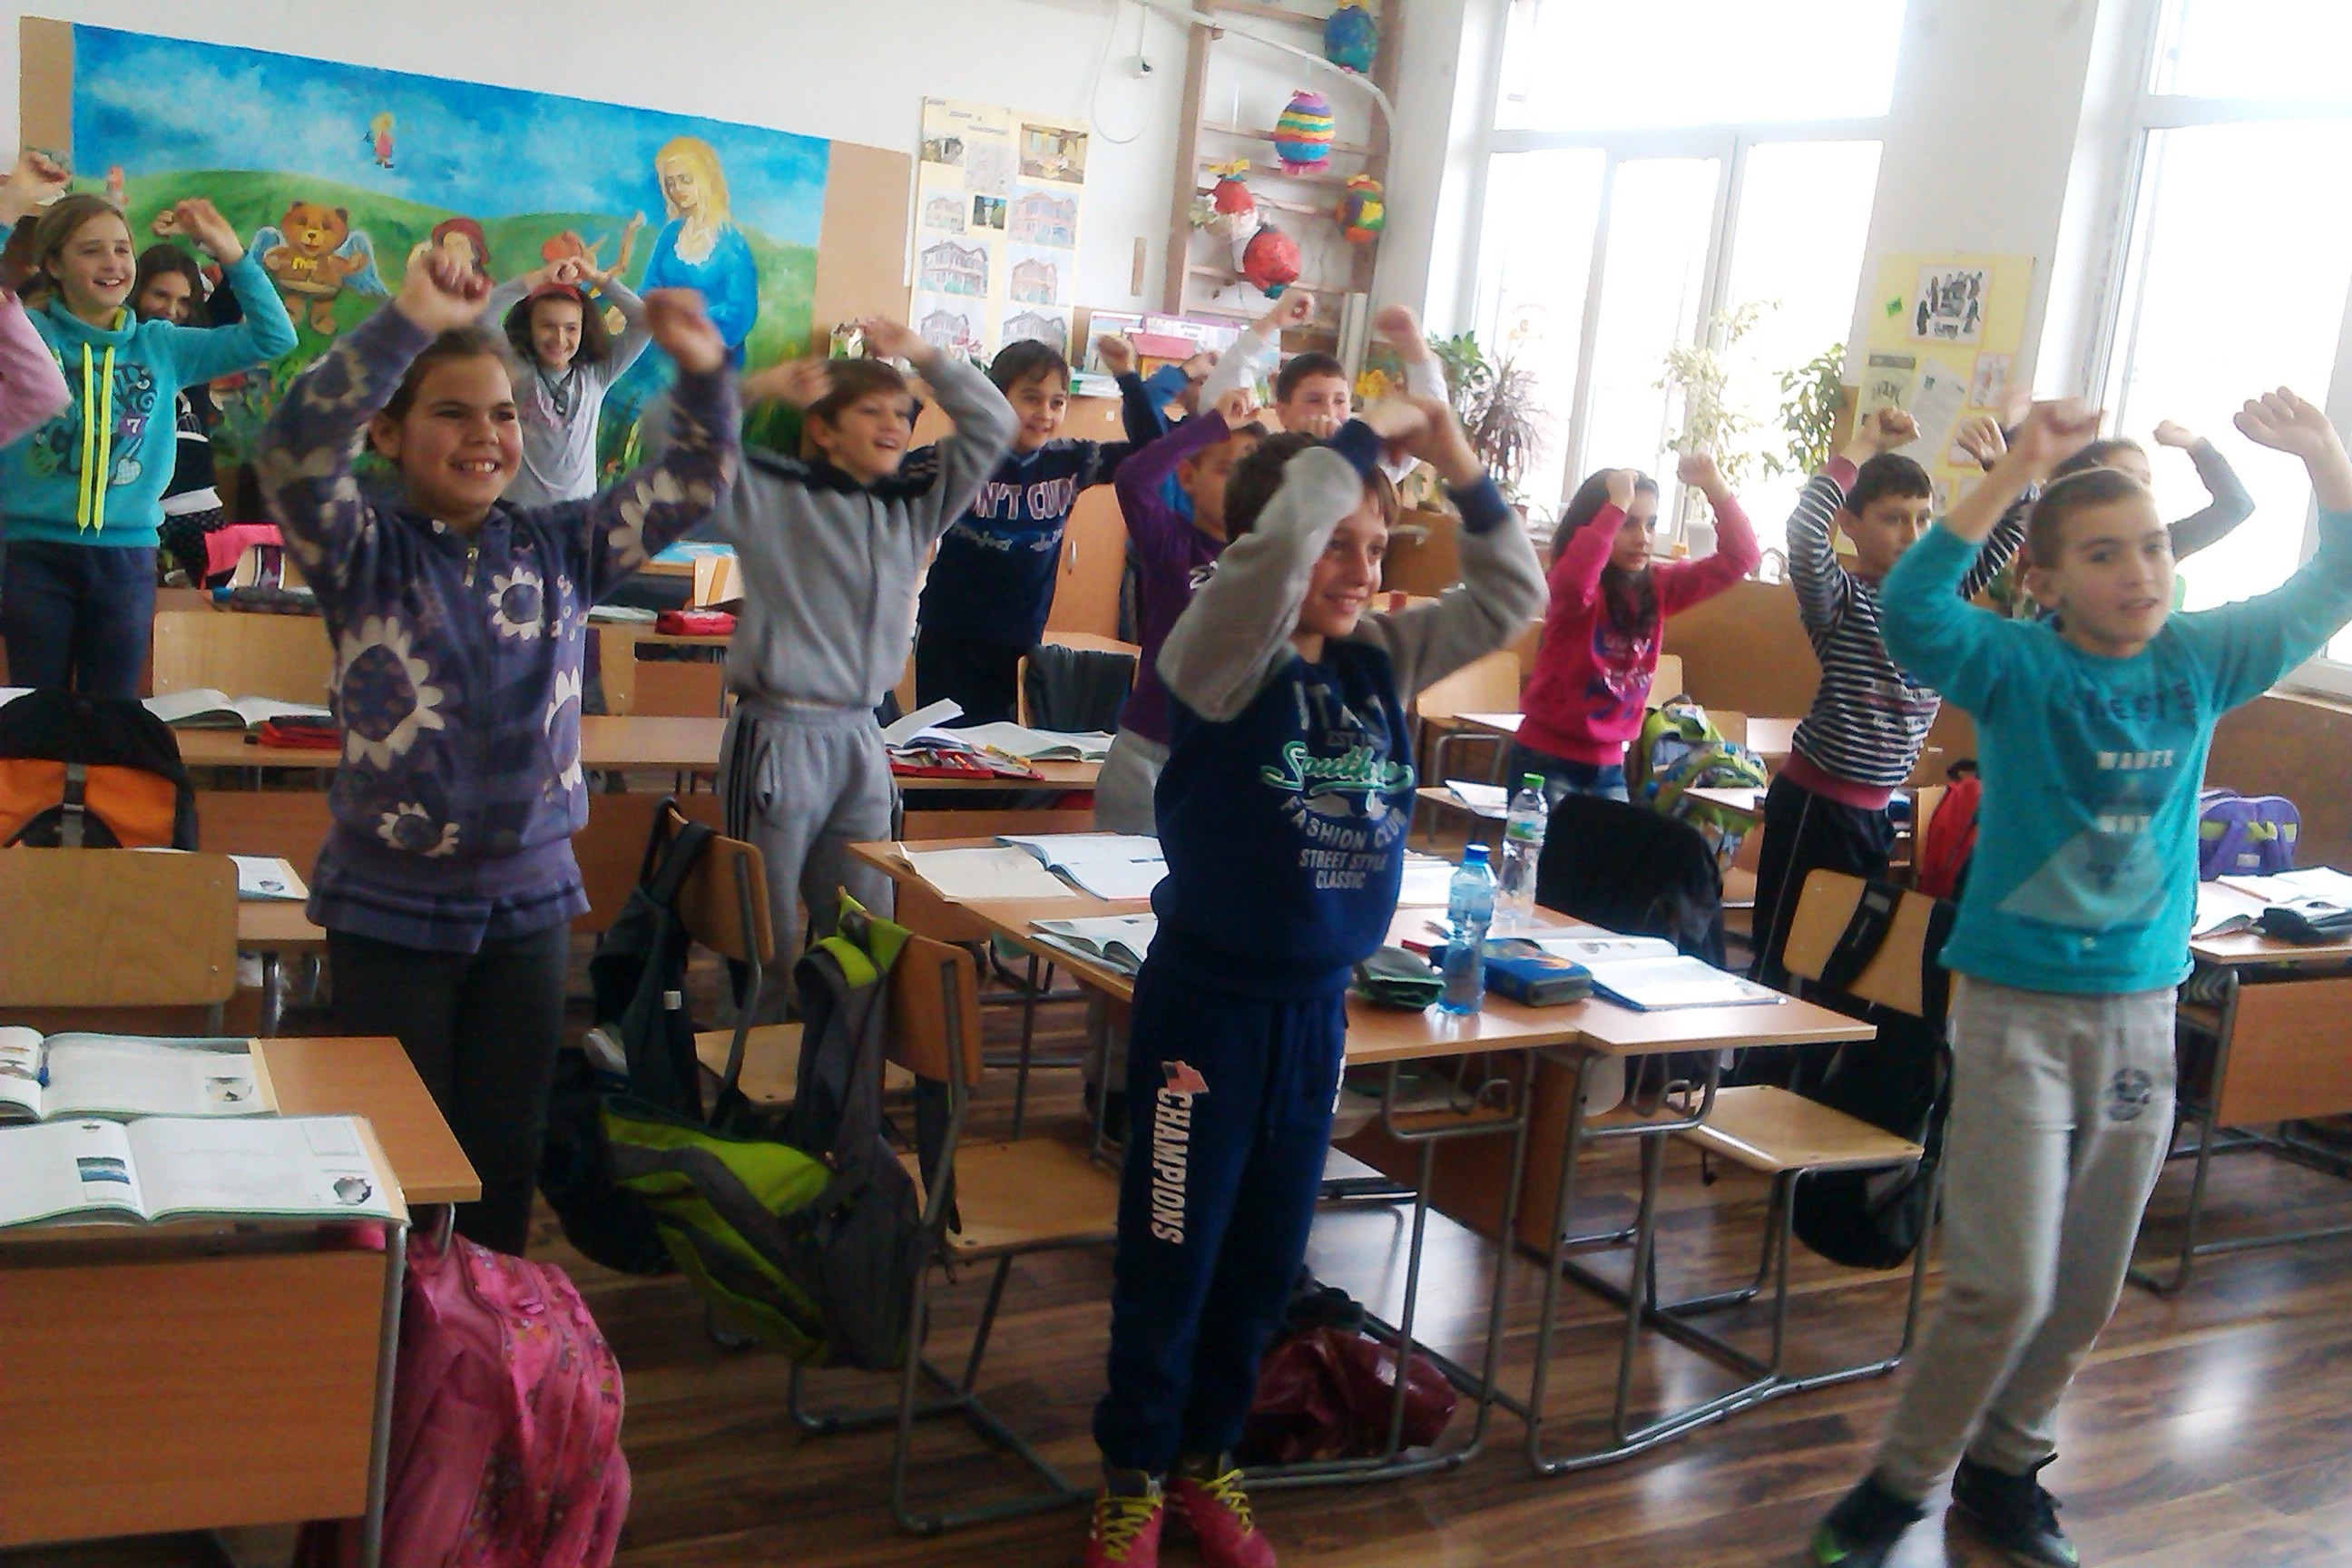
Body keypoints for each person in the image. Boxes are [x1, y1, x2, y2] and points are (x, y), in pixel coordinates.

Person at [1808, 389, 2352, 1568]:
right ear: (2046, 582)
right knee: (2002, 1286)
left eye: (2152, 546)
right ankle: (1898, 1487)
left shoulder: (2199, 661)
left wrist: (2323, 453)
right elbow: (1911, 609)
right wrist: (2016, 474)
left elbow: (2333, 582)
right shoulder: (2018, 668)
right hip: (2016, 1015)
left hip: (2143, 1017)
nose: (2140, 571)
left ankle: (2007, 1467)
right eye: (2104, 554)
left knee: (2091, 1284)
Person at [1084, 397, 1544, 1568]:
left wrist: (1456, 460)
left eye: (1377, 547)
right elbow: (1281, 543)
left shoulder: (1379, 658)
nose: (1361, 569)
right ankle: (1133, 1472)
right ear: (1274, 546)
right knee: (1173, 1255)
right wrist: (1355, 447)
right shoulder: (1217, 653)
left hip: (1312, 1017)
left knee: (1264, 1262)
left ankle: (1208, 1459)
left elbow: (1512, 597)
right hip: (1206, 1015)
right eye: (1337, 543)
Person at [253, 247, 739, 1254]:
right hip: (390, 906)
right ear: (388, 432)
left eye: (505, 413)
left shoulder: (562, 546)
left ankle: (486, 1323)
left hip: (529, 905)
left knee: (503, 1156)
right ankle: (398, 1333)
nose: (487, 433)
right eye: (453, 412)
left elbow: (694, 477)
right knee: (395, 1156)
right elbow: (295, 447)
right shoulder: (361, 550)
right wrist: (405, 321)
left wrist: (702, 372)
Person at [649, 321, 1013, 1015]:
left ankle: (844, 1069)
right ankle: (746, 1065)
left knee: (863, 928)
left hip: (860, 737)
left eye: (901, 413)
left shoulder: (914, 505)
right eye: (871, 411)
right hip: (778, 733)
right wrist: (759, 387)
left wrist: (925, 355)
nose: (893, 424)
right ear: (822, 429)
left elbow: (993, 424)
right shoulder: (770, 489)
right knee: (762, 935)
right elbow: (668, 430)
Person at [1749, 407, 2018, 989]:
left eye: (1923, 519)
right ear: (1850, 524)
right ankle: (1760, 1044)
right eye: (1894, 519)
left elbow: (2012, 529)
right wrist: (1864, 444)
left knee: (1841, 975)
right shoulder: (1840, 600)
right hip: (1816, 809)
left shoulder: (1936, 601)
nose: (1913, 535)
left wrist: (2003, 468)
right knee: (1782, 964)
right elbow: (1804, 532)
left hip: (1876, 814)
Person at [1, 170, 295, 694]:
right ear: (54, 264)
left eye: (122, 249)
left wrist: (231, 254)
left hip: (127, 558)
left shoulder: (163, 345)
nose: (112, 262)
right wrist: (10, 205)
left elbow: (273, 337)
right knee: (34, 710)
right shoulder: (27, 333)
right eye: (91, 250)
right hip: (33, 553)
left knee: (113, 713)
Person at [911, 334, 1163, 725]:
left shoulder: (1072, 460)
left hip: (1021, 639)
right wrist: (913, 396)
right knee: (941, 748)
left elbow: (1155, 450)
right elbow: (883, 471)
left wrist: (1127, 375)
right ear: (996, 399)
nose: (1045, 413)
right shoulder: (961, 457)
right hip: (950, 634)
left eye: (1057, 402)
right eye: (1031, 398)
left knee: (1004, 751)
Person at [1509, 452, 1759, 800]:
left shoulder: (1658, 587)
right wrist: (1616, 505)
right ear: (1597, 523)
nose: (1643, 537)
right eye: (1628, 523)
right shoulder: (1572, 588)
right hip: (1545, 759)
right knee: (1541, 840)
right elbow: (1576, 582)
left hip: (1610, 766)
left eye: (1651, 524)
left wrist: (1714, 486)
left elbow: (1742, 557)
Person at [1093, 386, 1265, 833]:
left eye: (1253, 474)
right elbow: (1133, 480)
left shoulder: (1273, 562)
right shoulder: (1172, 543)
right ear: (1188, 477)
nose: (1241, 486)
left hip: (1228, 759)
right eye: (1226, 470)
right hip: (1149, 754)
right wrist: (1212, 425)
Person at [1201, 297, 1445, 481]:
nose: (1329, 412)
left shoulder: (1365, 459)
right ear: (1283, 412)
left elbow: (1430, 421)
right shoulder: (1262, 460)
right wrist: (1273, 321)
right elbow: (1214, 402)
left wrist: (1414, 346)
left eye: (1340, 401)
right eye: (1314, 400)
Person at [476, 253, 652, 505]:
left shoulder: (596, 375)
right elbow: (483, 313)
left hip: (578, 515)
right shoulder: (517, 371)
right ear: (530, 327)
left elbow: (645, 322)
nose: (559, 339)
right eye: (547, 326)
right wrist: (539, 278)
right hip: (519, 515)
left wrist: (597, 278)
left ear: (583, 329)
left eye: (570, 328)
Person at [131, 243, 230, 587]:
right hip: (129, 501)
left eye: (184, 301)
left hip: (192, 494)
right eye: (160, 295)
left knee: (225, 585)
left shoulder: (196, 342)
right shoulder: (116, 341)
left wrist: (221, 247)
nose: (171, 310)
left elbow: (241, 305)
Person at [641, 135, 759, 365]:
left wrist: (684, 325)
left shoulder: (731, 243)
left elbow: (741, 312)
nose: (677, 189)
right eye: (671, 183)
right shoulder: (670, 233)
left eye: (685, 179)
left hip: (712, 357)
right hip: (662, 348)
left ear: (706, 178)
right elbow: (649, 285)